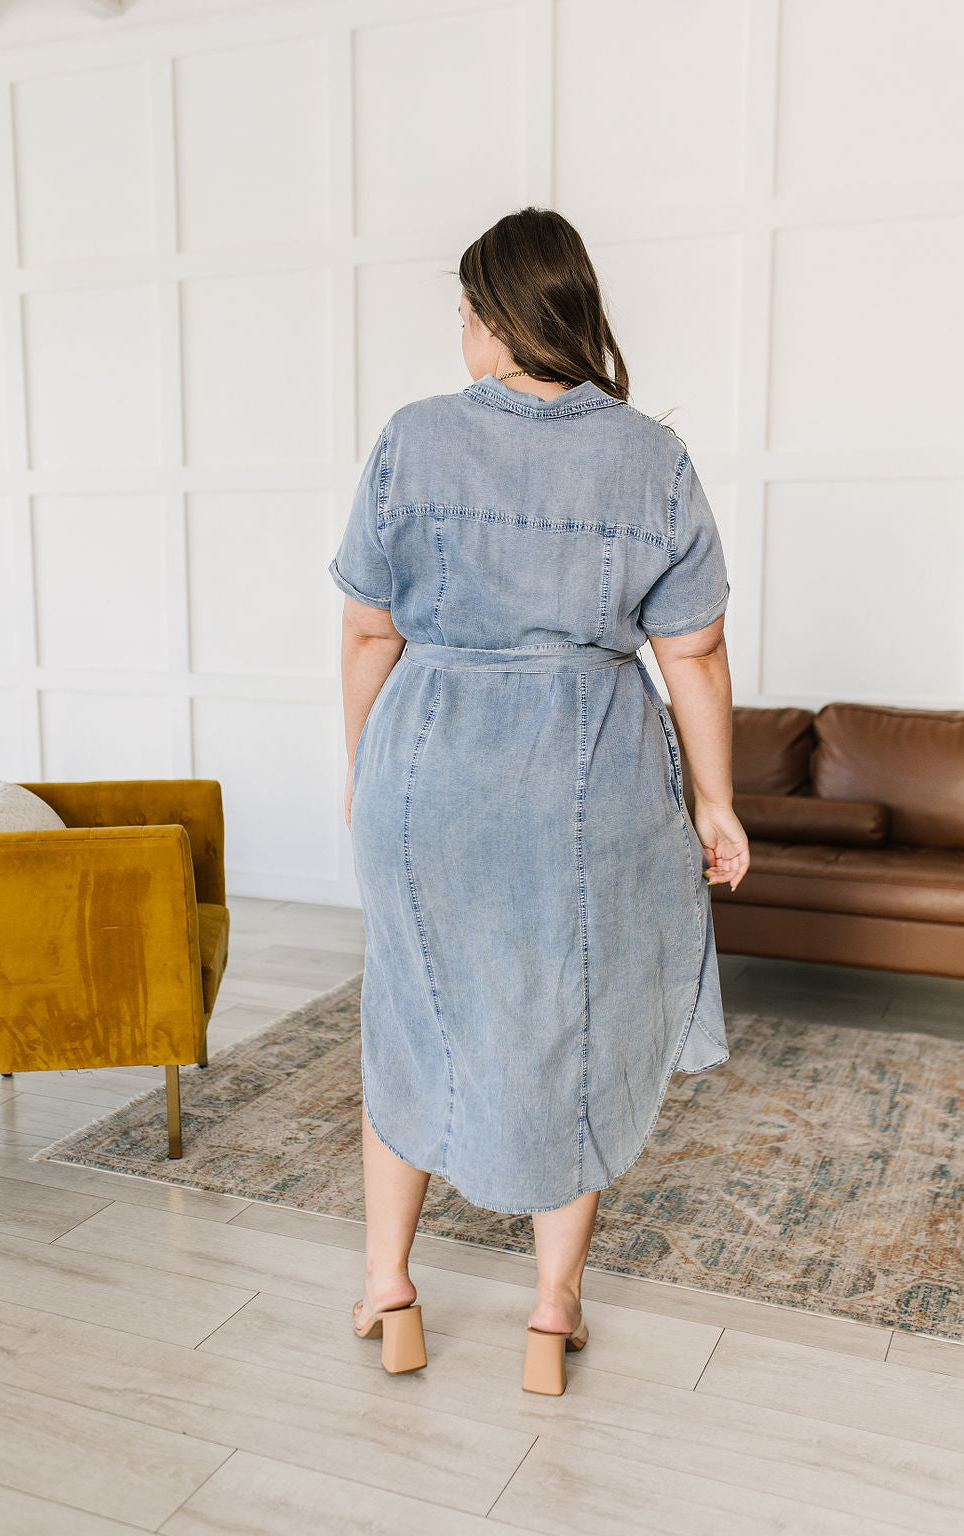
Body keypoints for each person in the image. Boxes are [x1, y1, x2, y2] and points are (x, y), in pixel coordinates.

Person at [328, 206, 750, 1394]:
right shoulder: (650, 456)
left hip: (432, 769)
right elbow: (697, 654)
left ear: (492, 318)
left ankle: (389, 1288)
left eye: (463, 310)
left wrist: (366, 773)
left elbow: (369, 629)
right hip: (595, 769)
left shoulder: (413, 440)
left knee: (411, 1014)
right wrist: (714, 802)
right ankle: (549, 1315)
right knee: (580, 1023)